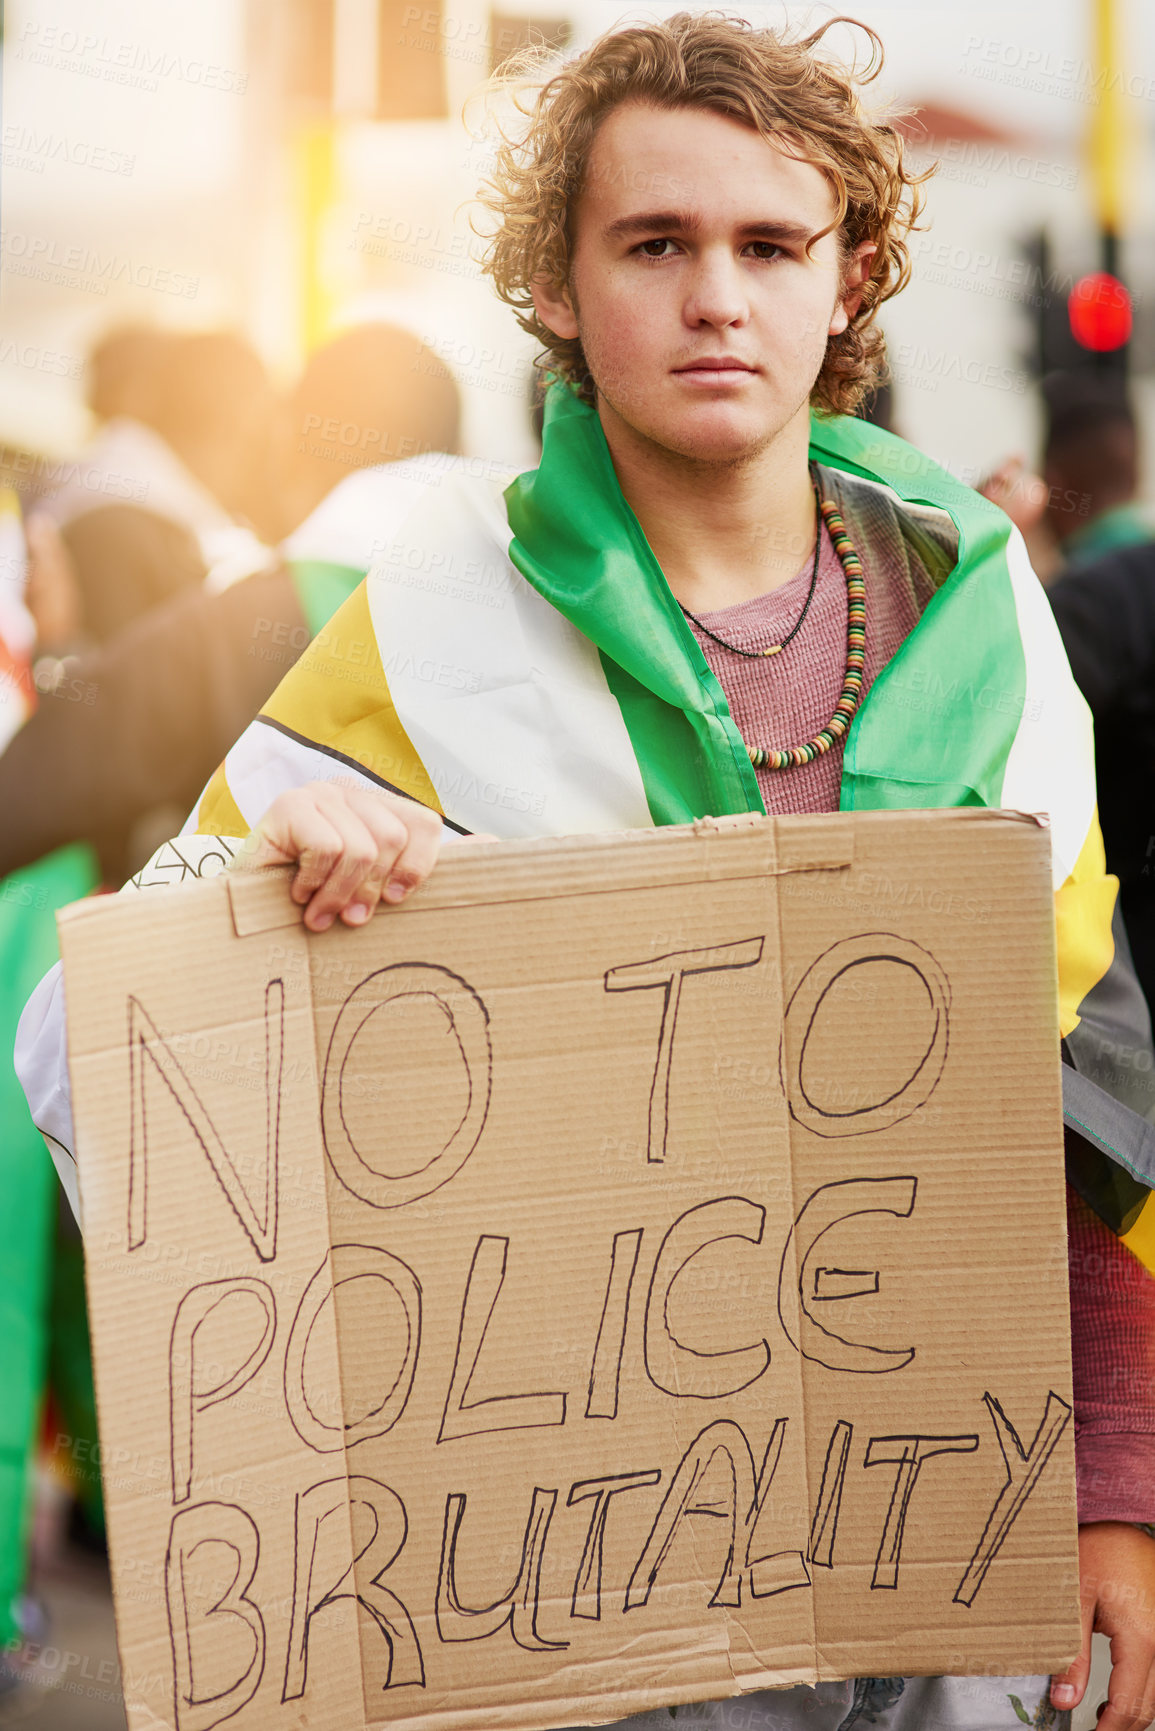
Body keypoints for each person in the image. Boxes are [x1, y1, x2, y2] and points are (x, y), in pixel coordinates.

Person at [16, 14, 1155, 1731]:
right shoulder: (426, 621)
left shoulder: (983, 608)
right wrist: (261, 897)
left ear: (849, 282)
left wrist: (1122, 1494)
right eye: (656, 243)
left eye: (771, 245)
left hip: (942, 1567)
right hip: (567, 1606)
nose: (717, 296)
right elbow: (94, 1041)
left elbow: (1091, 1084)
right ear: (558, 288)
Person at [0, 326, 462, 886]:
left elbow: (31, 790)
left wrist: (55, 648)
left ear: (290, 437)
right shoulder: (530, 621)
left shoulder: (236, 629)